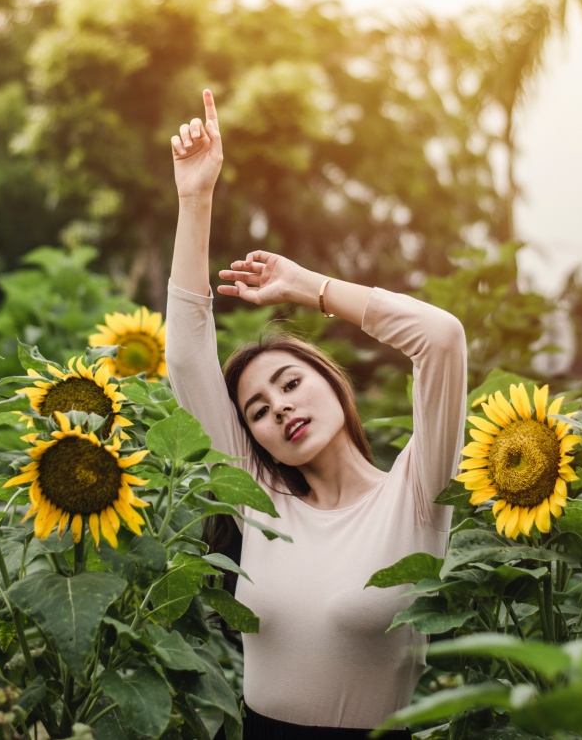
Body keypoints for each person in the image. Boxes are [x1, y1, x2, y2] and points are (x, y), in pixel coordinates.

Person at [166, 89, 467, 740]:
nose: (280, 407)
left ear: (332, 382)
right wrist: (196, 198)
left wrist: (310, 287)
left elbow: (440, 338)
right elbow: (187, 353)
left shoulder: (418, 494)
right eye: (259, 410)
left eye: (290, 382)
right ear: (257, 439)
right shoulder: (260, 498)